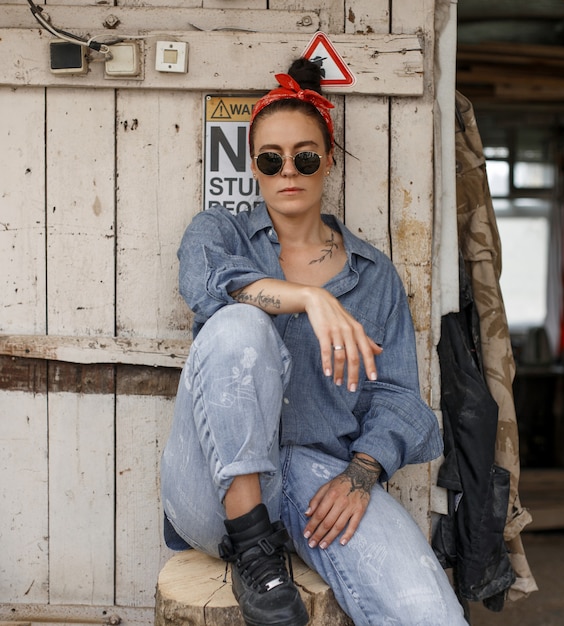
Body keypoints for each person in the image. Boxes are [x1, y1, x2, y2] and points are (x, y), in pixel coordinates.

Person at [160, 57, 467, 626]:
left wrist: (362, 474)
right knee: (238, 323)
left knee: (429, 613)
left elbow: (399, 396)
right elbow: (207, 291)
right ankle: (256, 551)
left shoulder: (373, 276)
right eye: (270, 160)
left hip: (317, 479)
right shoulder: (219, 232)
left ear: (328, 160)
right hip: (211, 489)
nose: (287, 172)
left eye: (304, 156)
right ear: (254, 167)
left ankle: (285, 537)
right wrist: (310, 298)